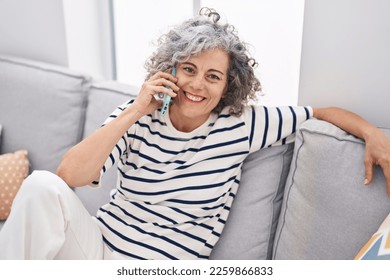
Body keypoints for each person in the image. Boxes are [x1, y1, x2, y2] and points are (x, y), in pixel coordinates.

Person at [1, 8, 390, 260]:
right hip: (97, 251)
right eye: (188, 69)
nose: (197, 85)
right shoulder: (137, 114)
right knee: (39, 186)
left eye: (213, 76)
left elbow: (320, 112)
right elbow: (69, 176)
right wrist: (135, 110)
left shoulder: (243, 125)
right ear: (170, 70)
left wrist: (372, 133)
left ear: (228, 87)